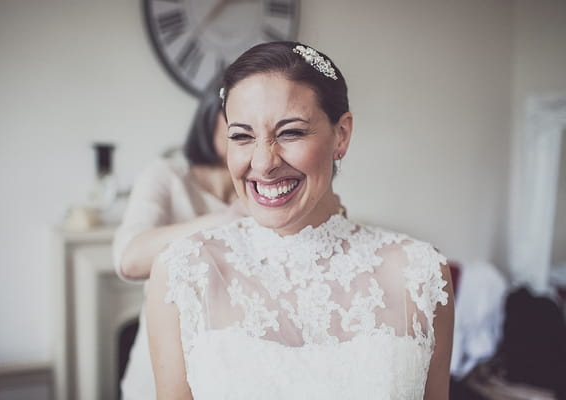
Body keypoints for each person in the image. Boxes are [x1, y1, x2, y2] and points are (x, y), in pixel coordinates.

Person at [146, 41, 455, 400]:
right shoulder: (183, 272)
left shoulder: (421, 272)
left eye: (289, 132)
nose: (263, 163)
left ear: (341, 135)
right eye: (242, 136)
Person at [112, 80, 241, 399]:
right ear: (210, 118)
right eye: (238, 118)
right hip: (164, 367)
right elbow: (129, 260)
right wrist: (226, 220)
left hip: (235, 367)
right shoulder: (165, 176)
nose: (251, 132)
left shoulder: (263, 188)